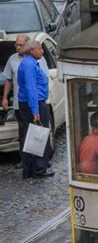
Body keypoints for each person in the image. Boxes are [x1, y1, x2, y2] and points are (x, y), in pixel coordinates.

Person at [2, 34, 49, 154]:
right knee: (25, 132)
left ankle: (40, 159)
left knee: (38, 133)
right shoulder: (15, 60)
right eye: (16, 44)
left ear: (28, 45)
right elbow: (9, 79)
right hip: (23, 102)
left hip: (34, 102)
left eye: (20, 45)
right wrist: (5, 97)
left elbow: (41, 80)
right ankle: (29, 163)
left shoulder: (38, 60)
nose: (18, 47)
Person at [17, 39, 53, 178]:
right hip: (34, 103)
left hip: (32, 103)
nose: (42, 51)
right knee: (38, 136)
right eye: (40, 48)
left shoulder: (29, 63)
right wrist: (36, 110)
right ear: (31, 50)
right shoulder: (29, 65)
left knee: (31, 135)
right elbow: (31, 88)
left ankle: (31, 168)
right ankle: (38, 169)